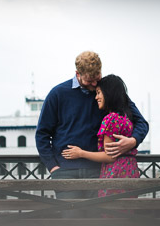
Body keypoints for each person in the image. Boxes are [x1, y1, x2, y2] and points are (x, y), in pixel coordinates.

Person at [35, 51, 148, 202]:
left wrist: (133, 141)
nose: (95, 85)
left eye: (97, 78)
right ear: (78, 74)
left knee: (97, 221)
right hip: (65, 171)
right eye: (90, 81)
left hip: (99, 169)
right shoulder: (58, 94)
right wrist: (54, 168)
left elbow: (141, 122)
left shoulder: (109, 93)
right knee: (71, 220)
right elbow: (42, 134)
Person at [61, 74, 141, 197]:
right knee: (126, 212)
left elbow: (110, 157)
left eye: (99, 93)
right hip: (130, 170)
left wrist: (81, 153)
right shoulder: (126, 117)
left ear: (108, 94)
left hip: (115, 173)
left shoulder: (110, 119)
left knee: (109, 213)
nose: (96, 97)